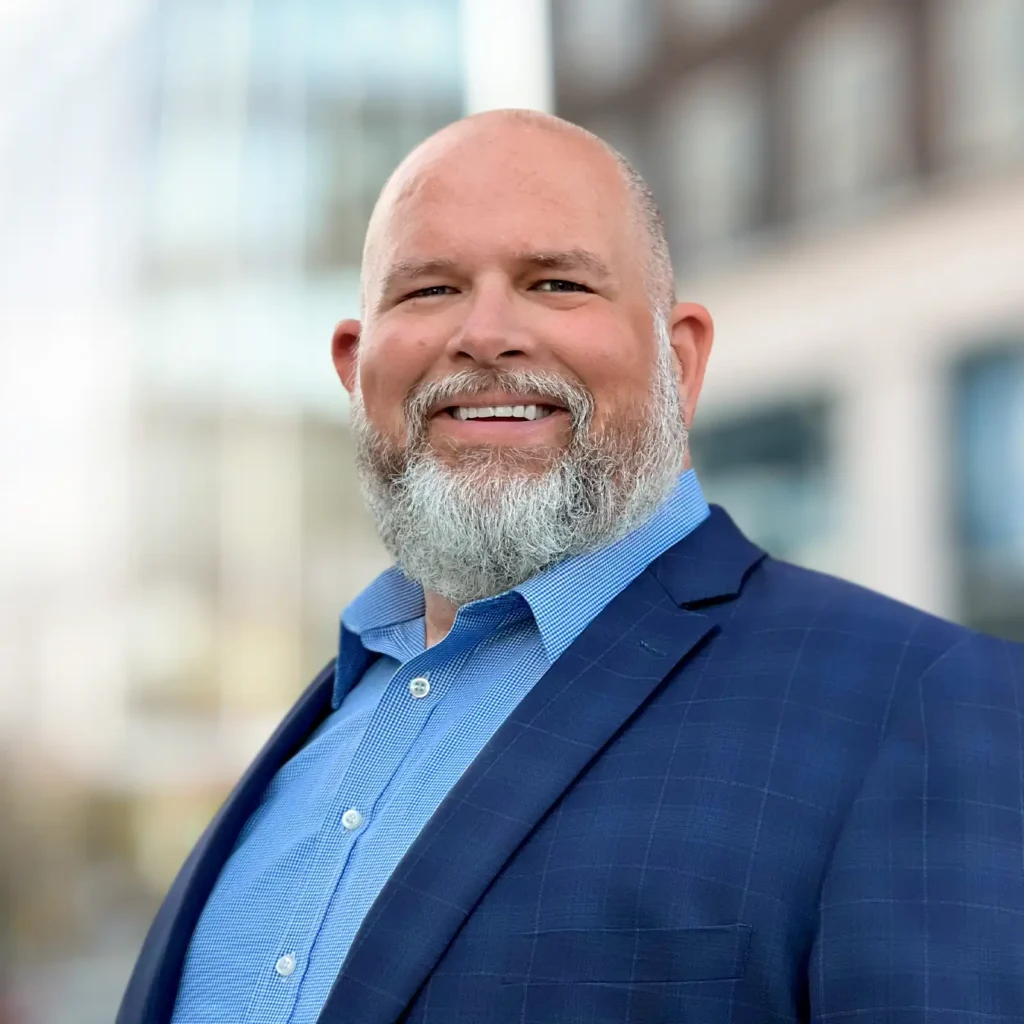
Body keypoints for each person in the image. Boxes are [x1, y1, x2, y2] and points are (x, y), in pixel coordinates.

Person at [118, 110, 1024, 1024]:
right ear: (356, 367)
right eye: (429, 289)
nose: (485, 333)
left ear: (681, 358)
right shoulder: (313, 738)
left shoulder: (928, 705)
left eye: (555, 282)